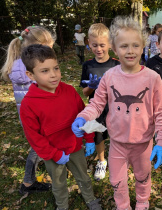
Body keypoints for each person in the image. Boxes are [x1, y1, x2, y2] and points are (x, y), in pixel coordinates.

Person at [72, 16, 162, 210]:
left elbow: (161, 111)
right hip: (117, 143)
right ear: (115, 49)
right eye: (124, 46)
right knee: (117, 181)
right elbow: (97, 104)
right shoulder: (109, 76)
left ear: (142, 46)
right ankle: (123, 206)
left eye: (135, 45)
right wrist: (82, 116)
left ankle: (142, 202)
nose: (130, 50)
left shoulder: (152, 78)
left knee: (143, 178)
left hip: (143, 144)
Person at [20, 44, 102, 210]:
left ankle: (90, 199)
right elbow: (34, 137)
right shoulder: (28, 104)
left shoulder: (69, 91)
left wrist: (90, 139)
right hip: (53, 153)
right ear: (30, 75)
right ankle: (62, 205)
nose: (53, 75)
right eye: (45, 71)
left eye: (56, 68)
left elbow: (83, 115)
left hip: (75, 146)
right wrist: (54, 154)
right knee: (59, 182)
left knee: (83, 177)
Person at [0, 26, 55, 195]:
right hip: (36, 118)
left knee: (36, 147)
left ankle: (29, 180)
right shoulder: (31, 70)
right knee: (37, 148)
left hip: (27, 117)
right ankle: (27, 182)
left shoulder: (18, 65)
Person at [80, 23, 120, 181]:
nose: (99, 49)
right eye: (94, 45)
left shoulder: (117, 64)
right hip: (97, 110)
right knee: (99, 136)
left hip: (116, 109)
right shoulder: (87, 65)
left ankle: (117, 160)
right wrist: (91, 86)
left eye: (102, 45)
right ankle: (102, 161)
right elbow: (84, 93)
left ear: (110, 44)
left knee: (117, 136)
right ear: (89, 43)